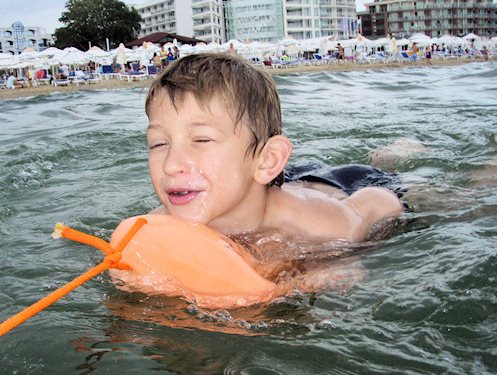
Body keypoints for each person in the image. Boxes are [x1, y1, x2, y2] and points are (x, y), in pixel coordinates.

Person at [144, 53, 403, 243]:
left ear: (267, 159)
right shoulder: (155, 224)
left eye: (201, 140)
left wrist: (333, 260)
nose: (171, 164)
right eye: (159, 143)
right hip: (265, 180)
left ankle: (390, 156)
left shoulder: (321, 224)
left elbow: (379, 200)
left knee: (403, 182)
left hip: (342, 185)